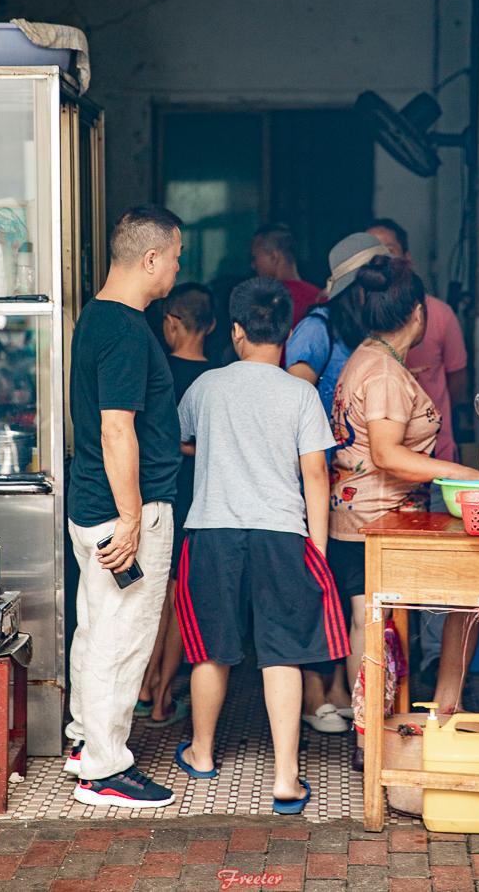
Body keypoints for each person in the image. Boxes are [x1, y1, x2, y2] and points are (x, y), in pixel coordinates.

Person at [173, 277, 349, 814]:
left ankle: (201, 753)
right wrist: (315, 545)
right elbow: (316, 473)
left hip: (213, 530)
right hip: (281, 533)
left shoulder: (207, 386)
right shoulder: (298, 394)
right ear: (289, 333)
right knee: (283, 652)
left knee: (211, 647)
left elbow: (183, 440)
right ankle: (286, 780)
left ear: (236, 331)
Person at [328, 255, 479, 769]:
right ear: (417, 312)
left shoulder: (368, 358)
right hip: (376, 518)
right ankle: (407, 723)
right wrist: (468, 475)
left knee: (370, 623)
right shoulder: (384, 372)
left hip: (361, 516)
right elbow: (388, 454)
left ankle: (376, 732)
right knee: (458, 599)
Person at [64, 205, 183, 809]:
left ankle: (84, 740)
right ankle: (104, 771)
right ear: (152, 259)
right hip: (121, 514)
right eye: (176, 256)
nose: (178, 269)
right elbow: (118, 430)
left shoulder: (93, 317)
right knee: (123, 638)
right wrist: (134, 517)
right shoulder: (128, 331)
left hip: (91, 503)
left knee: (96, 627)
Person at [285, 231, 392, 733]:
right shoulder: (317, 328)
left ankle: (338, 689)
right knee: (313, 586)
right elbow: (293, 398)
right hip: (314, 479)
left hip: (354, 491)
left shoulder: (369, 332)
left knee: (345, 589)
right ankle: (311, 696)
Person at [135, 282, 215, 727]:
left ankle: (145, 687)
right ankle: (163, 693)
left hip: (162, 495)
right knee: (182, 600)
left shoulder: (157, 372)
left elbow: (149, 437)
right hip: (204, 501)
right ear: (216, 327)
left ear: (170, 321)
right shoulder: (218, 377)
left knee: (155, 597)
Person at [366, 218, 468, 464]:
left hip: (435, 451)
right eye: (371, 253)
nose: (381, 259)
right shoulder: (358, 315)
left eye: (389, 251)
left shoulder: (440, 314)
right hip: (379, 463)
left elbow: (458, 382)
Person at [251, 222, 320, 327]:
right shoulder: (319, 297)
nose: (253, 265)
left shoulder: (266, 302)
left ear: (274, 257)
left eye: (254, 257)